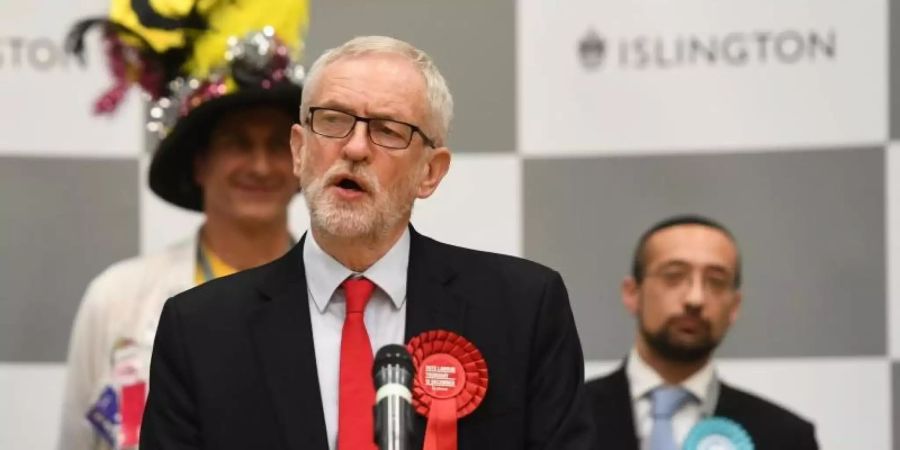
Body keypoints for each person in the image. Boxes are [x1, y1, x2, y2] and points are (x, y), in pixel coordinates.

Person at [139, 35, 596, 450]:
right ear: (299, 151)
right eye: (333, 121)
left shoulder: (522, 308)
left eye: (388, 130)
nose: (355, 148)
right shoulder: (199, 329)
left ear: (430, 172)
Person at [57, 1, 308, 448]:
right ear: (199, 164)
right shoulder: (117, 299)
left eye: (277, 144)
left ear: (302, 163)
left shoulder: (339, 299)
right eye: (237, 143)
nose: (260, 165)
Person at [586, 215, 818, 449]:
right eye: (674, 276)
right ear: (632, 293)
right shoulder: (563, 417)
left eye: (716, 281)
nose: (695, 299)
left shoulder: (787, 437)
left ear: (735, 306)